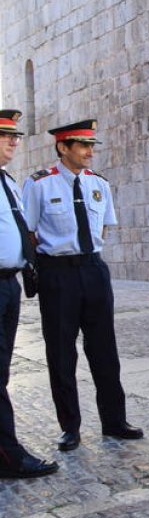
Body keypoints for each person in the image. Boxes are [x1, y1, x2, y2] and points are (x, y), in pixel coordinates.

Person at [22, 119, 142, 452]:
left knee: (105, 349)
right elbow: (30, 233)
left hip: (93, 270)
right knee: (61, 353)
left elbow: (103, 229)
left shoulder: (99, 184)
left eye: (92, 146)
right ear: (63, 147)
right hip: (57, 274)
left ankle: (115, 421)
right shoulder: (39, 185)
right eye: (83, 146)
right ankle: (70, 427)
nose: (90, 152)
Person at [0, 110, 57, 479]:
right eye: (5, 136)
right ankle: (9, 456)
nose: (14, 141)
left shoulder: (7, 181)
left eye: (15, 136)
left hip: (9, 284)